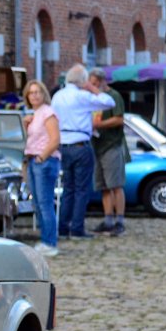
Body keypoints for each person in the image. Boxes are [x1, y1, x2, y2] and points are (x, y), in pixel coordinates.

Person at [50, 64, 114, 240]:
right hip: (80, 144)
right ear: (83, 80)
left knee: (68, 188)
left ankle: (63, 227)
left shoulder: (58, 96)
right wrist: (92, 88)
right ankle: (77, 228)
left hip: (63, 144)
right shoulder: (81, 96)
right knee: (81, 189)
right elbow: (109, 102)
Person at [22, 79, 61, 256]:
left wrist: (41, 157)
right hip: (33, 160)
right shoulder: (34, 114)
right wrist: (26, 124)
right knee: (37, 203)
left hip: (44, 161)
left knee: (45, 203)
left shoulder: (48, 112)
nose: (34, 95)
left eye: (37, 92)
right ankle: (46, 239)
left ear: (43, 94)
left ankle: (50, 242)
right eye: (31, 93)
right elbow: (32, 139)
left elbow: (55, 139)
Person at [87, 70, 129, 235]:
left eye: (95, 83)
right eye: (91, 84)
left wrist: (99, 125)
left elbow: (119, 119)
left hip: (111, 145)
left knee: (115, 184)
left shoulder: (114, 96)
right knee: (103, 186)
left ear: (102, 81)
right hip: (96, 145)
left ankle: (120, 221)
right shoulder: (92, 98)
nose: (93, 87)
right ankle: (108, 219)